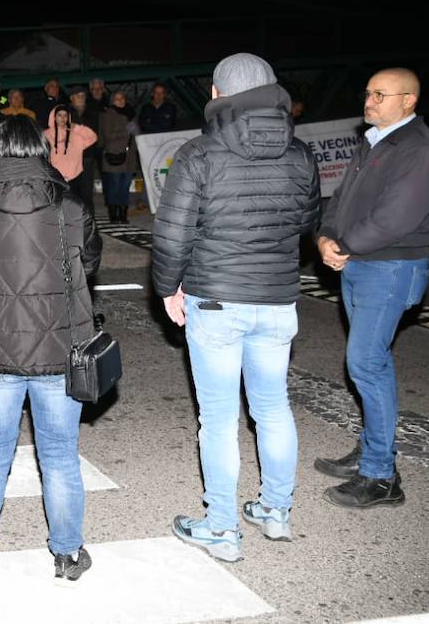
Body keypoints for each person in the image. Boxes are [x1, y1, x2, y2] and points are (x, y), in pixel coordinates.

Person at [152, 53, 320, 562]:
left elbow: (173, 233)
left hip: (217, 299)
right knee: (273, 408)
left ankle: (222, 527)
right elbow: (309, 217)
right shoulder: (301, 154)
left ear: (218, 94)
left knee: (220, 418)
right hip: (277, 299)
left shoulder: (199, 154)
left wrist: (166, 288)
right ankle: (276, 511)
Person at [0, 116, 100, 580]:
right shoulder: (70, 206)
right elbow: (91, 260)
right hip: (58, 349)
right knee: (59, 454)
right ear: (39, 149)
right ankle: (68, 553)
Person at [314, 68, 429, 509]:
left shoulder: (423, 150)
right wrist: (325, 237)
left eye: (380, 94)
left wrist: (345, 244)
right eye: (368, 91)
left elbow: (397, 218)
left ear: (408, 101)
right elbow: (341, 200)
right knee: (372, 364)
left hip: (390, 269)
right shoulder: (376, 141)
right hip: (362, 265)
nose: (369, 100)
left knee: (365, 363)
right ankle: (374, 448)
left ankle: (381, 477)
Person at [45, 105, 97, 206]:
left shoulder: (75, 133)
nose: (63, 118)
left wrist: (76, 127)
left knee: (75, 204)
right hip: (55, 176)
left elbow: (93, 137)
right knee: (57, 204)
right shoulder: (46, 134)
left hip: (75, 175)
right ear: (54, 117)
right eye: (59, 115)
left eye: (65, 115)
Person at [99, 91, 137, 222]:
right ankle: (114, 214)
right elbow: (108, 135)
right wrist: (126, 131)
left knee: (125, 186)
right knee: (114, 185)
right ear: (112, 101)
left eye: (122, 98)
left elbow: (137, 133)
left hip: (130, 156)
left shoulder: (131, 113)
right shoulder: (107, 114)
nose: (120, 101)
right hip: (114, 155)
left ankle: (123, 214)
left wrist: (136, 130)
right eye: (117, 99)